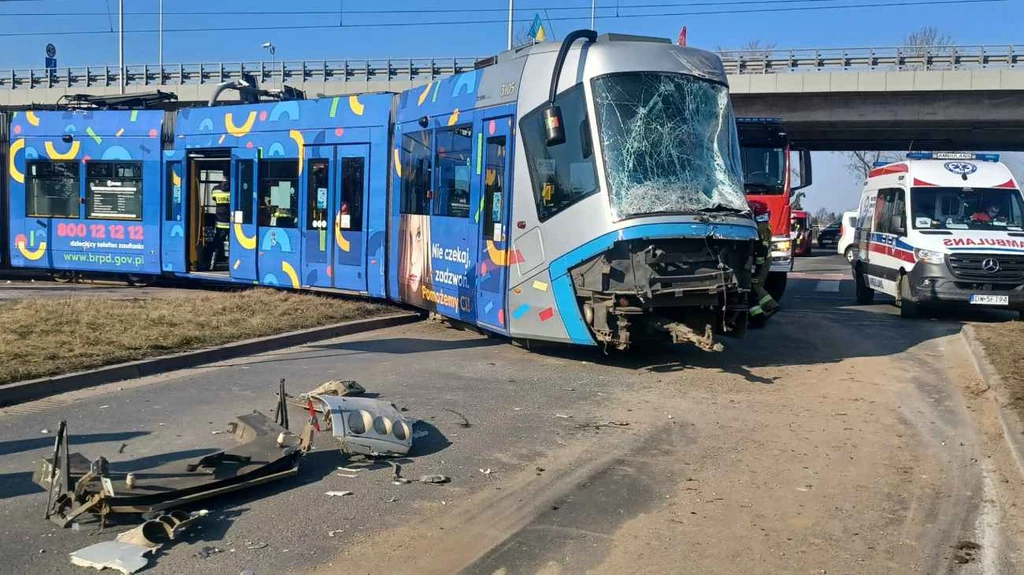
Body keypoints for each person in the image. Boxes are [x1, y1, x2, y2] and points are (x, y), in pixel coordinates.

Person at [749, 201, 779, 325]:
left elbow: (761, 249)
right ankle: (767, 307)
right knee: (755, 286)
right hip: (763, 259)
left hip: (762, 261)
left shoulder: (760, 227)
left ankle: (764, 311)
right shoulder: (763, 224)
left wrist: (756, 267)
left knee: (754, 286)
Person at [205, 172, 231, 270]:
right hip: (232, 222)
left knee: (217, 244)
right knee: (233, 244)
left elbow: (214, 198)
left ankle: (212, 264)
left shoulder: (215, 189)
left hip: (220, 221)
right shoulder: (233, 189)